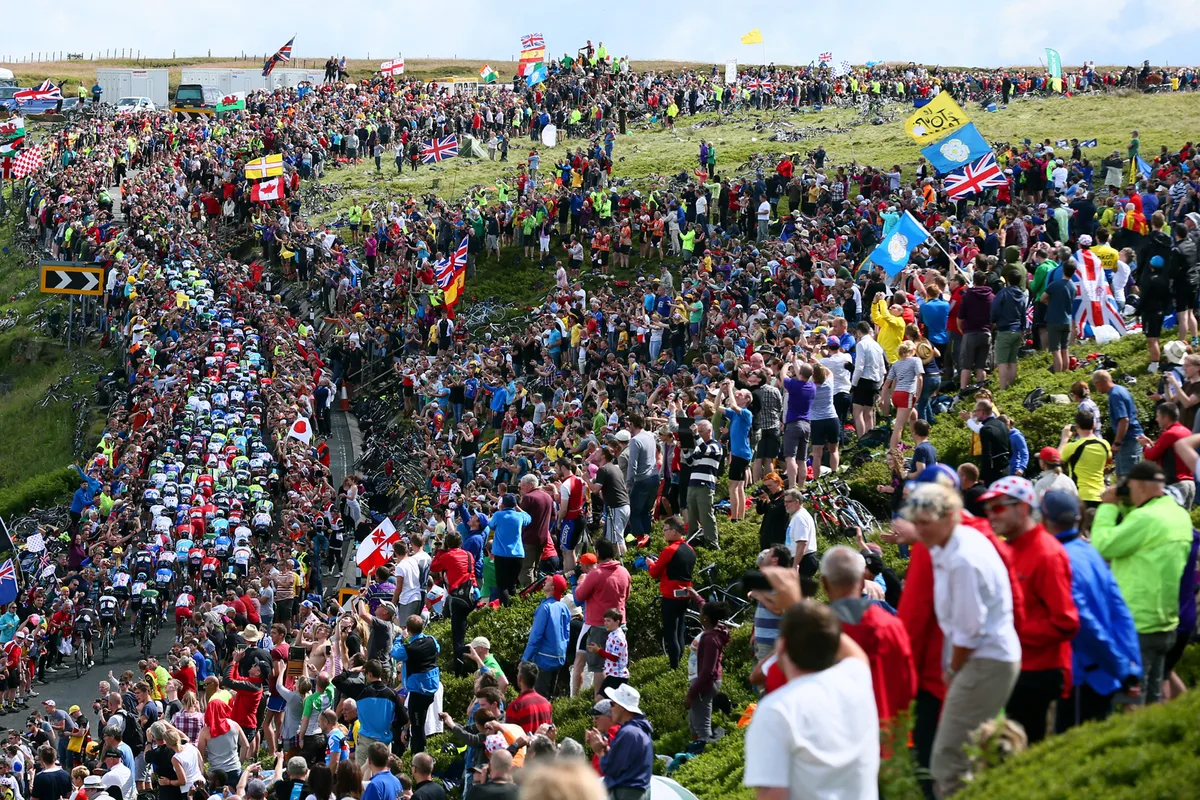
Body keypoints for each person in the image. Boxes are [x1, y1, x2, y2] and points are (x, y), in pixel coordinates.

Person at [902, 483, 1021, 799]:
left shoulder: (962, 558)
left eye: (925, 522)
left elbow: (969, 629)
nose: (919, 530)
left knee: (948, 759)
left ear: (949, 517)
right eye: (916, 523)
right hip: (985, 659)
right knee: (965, 752)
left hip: (984, 660)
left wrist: (952, 670)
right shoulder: (951, 545)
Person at [743, 578, 878, 800]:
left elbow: (772, 795)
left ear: (781, 647)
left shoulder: (776, 710)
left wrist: (794, 605)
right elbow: (850, 651)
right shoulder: (856, 680)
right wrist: (799, 605)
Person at [979, 476, 1079, 744]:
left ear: (1022, 508)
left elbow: (1066, 622)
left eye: (998, 507)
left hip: (1039, 674)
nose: (991, 515)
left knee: (1029, 750)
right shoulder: (1007, 548)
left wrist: (1013, 632)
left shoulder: (1047, 553)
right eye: (988, 509)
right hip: (1013, 668)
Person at [1037, 491, 1143, 731]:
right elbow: (1120, 611)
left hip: (1083, 674)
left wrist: (1121, 666)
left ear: (1043, 520)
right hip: (1106, 671)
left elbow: (1083, 622)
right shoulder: (1091, 552)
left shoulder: (1058, 559)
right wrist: (1131, 665)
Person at [1090, 460, 1192, 704]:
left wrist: (1108, 506)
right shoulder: (1177, 514)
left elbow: (1102, 546)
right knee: (1153, 700)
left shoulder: (1146, 518)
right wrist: (1127, 504)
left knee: (1131, 703)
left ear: (1140, 486)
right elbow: (1138, 533)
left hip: (1137, 623)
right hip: (1165, 622)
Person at [821, 546, 916, 725]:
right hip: (887, 729)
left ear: (824, 583)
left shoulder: (815, 629)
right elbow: (909, 683)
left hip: (835, 730)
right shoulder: (891, 626)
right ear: (862, 580)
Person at [587, 685, 653, 800]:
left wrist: (599, 751)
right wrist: (606, 749)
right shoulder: (640, 730)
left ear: (622, 707)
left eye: (612, 704)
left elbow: (610, 769)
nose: (610, 709)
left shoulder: (628, 732)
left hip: (626, 793)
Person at [647, 515, 696, 670]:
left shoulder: (669, 550)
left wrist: (650, 564)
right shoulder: (690, 549)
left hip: (670, 596)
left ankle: (674, 666)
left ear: (674, 531)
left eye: (665, 529)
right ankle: (679, 663)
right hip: (686, 594)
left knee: (670, 633)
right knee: (680, 630)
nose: (663, 532)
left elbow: (654, 572)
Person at [391, 615, 440, 755]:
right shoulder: (431, 639)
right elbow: (437, 648)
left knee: (417, 727)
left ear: (408, 629)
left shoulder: (408, 649)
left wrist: (400, 638)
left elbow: (395, 653)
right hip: (431, 686)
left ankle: (418, 756)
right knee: (420, 725)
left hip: (418, 692)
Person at [685, 601, 730, 744]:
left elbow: (707, 671)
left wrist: (691, 693)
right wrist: (694, 595)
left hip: (704, 685)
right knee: (694, 724)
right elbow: (703, 604)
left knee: (703, 729)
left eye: (701, 613)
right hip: (702, 683)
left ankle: (705, 751)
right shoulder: (715, 630)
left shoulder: (711, 639)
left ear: (706, 618)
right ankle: (695, 751)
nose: (699, 615)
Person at [1136, 402, 1195, 507]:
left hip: (1175, 485)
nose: (1156, 419)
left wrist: (1145, 446)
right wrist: (1151, 444)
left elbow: (1151, 457)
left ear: (1166, 417)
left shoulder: (1169, 434)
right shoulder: (1187, 431)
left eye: (1158, 416)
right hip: (1189, 484)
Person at [521, 575, 572, 697]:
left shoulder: (545, 608)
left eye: (550, 580)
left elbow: (535, 636)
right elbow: (566, 635)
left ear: (552, 588)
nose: (546, 580)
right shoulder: (564, 607)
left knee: (540, 697)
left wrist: (525, 660)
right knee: (550, 695)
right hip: (559, 657)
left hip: (544, 659)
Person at [1092, 370, 1144, 478]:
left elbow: (1124, 420)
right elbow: (1134, 412)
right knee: (1123, 475)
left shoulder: (1114, 395)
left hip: (1128, 440)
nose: (1096, 388)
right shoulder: (1121, 389)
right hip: (1132, 437)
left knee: (1128, 477)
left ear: (1099, 383)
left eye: (1095, 385)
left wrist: (1117, 443)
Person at [354, 661, 407, 766]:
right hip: (384, 741)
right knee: (382, 772)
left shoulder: (362, 691)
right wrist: (393, 726)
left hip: (366, 741)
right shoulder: (392, 693)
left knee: (362, 774)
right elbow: (404, 719)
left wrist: (353, 670)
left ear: (369, 674)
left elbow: (337, 681)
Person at [681, 420, 722, 547]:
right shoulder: (699, 447)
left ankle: (712, 543)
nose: (697, 434)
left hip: (705, 485)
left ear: (709, 431)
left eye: (700, 431)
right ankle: (692, 541)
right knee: (692, 516)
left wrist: (696, 435)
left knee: (706, 515)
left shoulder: (716, 446)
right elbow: (690, 462)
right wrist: (685, 450)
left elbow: (706, 450)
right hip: (693, 484)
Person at [505, 662, 553, 734]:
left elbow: (510, 735)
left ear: (520, 678)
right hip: (543, 741)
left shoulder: (515, 706)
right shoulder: (547, 703)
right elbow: (550, 732)